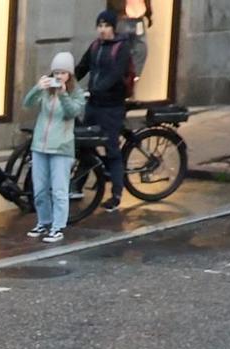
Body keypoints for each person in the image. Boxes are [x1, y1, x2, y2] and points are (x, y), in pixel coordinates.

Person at [76, 9, 136, 211]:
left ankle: (116, 194)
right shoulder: (95, 46)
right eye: (99, 26)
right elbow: (81, 68)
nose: (102, 30)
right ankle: (77, 186)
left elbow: (115, 75)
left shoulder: (121, 48)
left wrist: (95, 89)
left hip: (112, 105)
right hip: (94, 104)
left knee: (111, 150)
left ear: (113, 27)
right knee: (84, 144)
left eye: (106, 26)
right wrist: (59, 80)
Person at [24, 53, 87, 244]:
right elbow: (26, 104)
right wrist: (37, 88)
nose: (59, 76)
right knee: (40, 189)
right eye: (56, 72)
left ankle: (58, 227)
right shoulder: (46, 90)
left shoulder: (76, 93)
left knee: (59, 190)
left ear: (70, 74)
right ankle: (44, 222)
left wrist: (63, 95)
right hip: (40, 146)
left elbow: (73, 112)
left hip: (62, 147)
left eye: (63, 72)